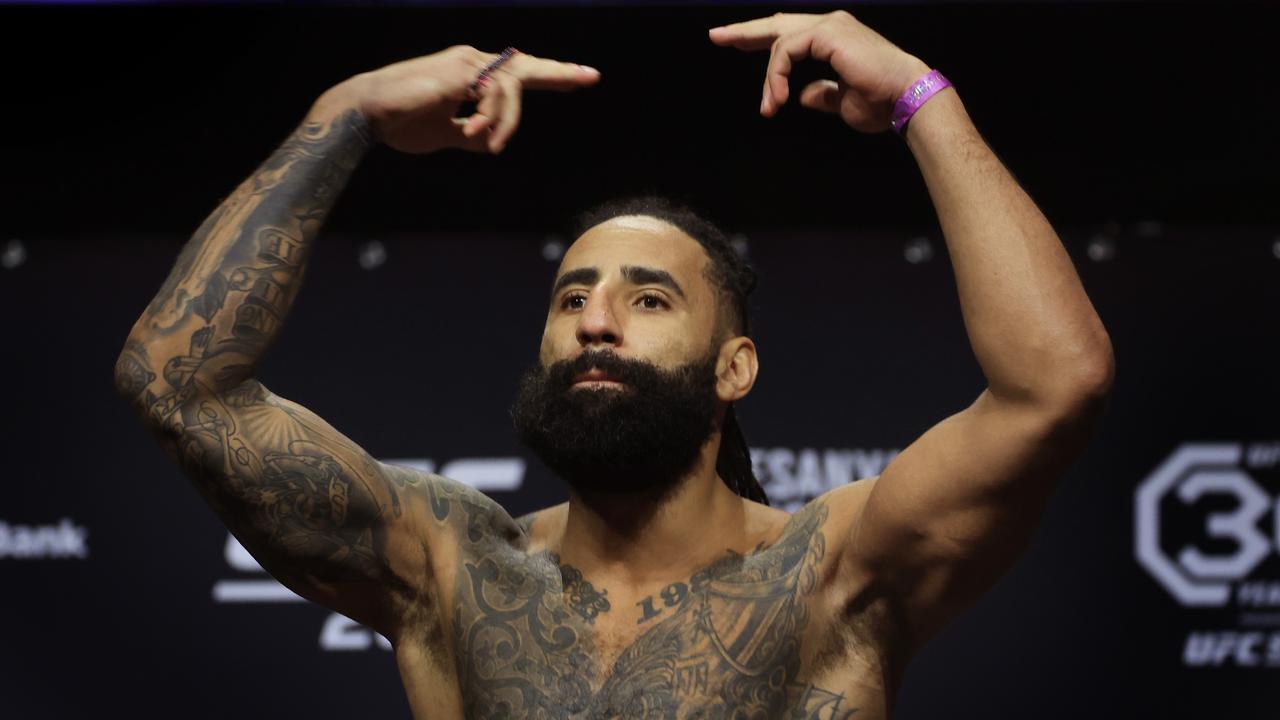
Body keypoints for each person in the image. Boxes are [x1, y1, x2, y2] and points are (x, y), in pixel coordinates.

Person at [114, 10, 1113, 718]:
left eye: (647, 299)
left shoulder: (833, 573)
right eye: (570, 298)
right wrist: (344, 117)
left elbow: (1051, 386)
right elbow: (175, 379)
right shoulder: (451, 570)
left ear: (734, 369)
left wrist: (917, 99)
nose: (596, 321)